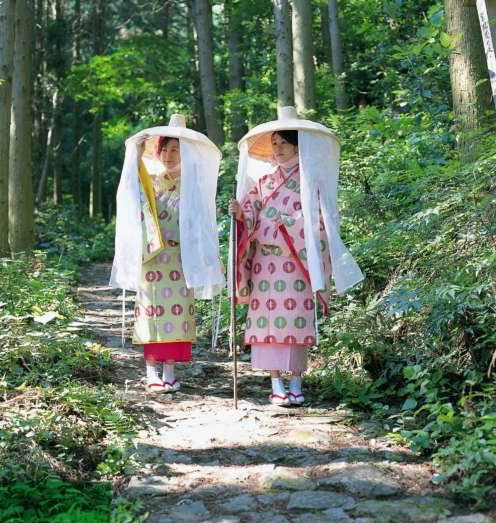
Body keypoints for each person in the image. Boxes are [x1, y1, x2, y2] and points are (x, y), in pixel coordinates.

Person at [228, 106, 364, 405]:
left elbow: (318, 221)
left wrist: (283, 224)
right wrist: (241, 214)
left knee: (294, 322)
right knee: (268, 324)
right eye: (274, 144)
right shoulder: (264, 183)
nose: (277, 149)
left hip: (296, 263)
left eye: (283, 144)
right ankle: (276, 383)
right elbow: (250, 212)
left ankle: (296, 383)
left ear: (296, 146)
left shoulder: (309, 181)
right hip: (265, 264)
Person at [110, 114, 224, 393]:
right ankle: (151, 371)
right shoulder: (147, 181)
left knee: (177, 314)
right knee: (151, 312)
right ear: (158, 152)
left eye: (177, 149)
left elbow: (203, 221)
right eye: (166, 149)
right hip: (151, 258)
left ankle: (170, 371)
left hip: (181, 259)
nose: (171, 155)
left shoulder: (194, 186)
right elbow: (129, 193)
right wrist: (135, 155)